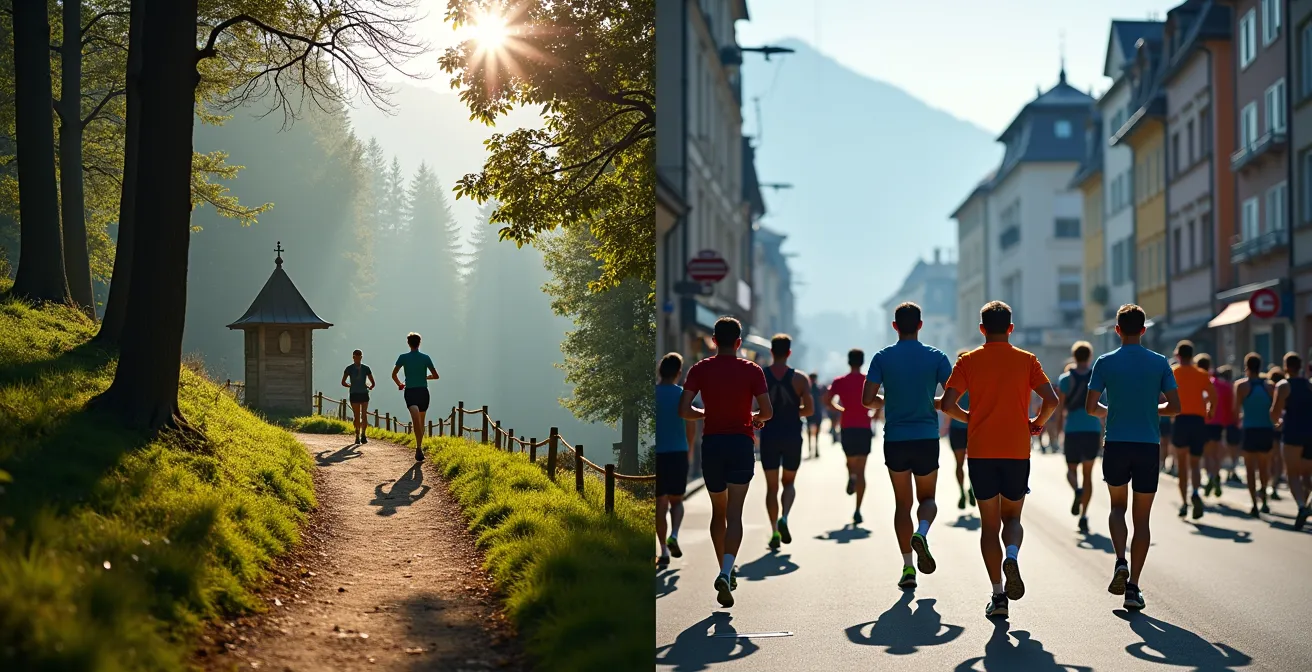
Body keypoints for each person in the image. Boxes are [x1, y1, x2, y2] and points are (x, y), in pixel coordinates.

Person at [941, 301, 1058, 619]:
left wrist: (969, 417)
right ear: (1010, 328)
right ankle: (1013, 554)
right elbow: (1052, 399)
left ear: (981, 329)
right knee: (1014, 520)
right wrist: (1037, 422)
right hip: (1016, 450)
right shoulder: (1027, 360)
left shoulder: (968, 361)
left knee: (989, 525)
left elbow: (948, 403)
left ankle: (998, 594)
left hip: (981, 451)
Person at [1084, 304, 1181, 613]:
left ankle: (1120, 561)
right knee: (1142, 519)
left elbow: (1090, 407)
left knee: (1116, 507)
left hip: (1115, 443)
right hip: (1147, 446)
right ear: (1143, 329)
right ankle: (1133, 587)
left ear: (1116, 330)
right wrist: (1151, 409)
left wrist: (1112, 411)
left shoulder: (1105, 361)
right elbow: (1175, 406)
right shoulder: (1159, 362)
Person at [679, 317, 772, 608]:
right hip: (741, 444)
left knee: (718, 512)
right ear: (740, 342)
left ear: (714, 341)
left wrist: (706, 414)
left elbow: (684, 409)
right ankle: (726, 570)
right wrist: (754, 419)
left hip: (713, 445)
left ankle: (724, 571)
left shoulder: (700, 369)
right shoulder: (752, 370)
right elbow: (767, 411)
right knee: (736, 513)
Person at [862, 302, 953, 589]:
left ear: (895, 326)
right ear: (921, 325)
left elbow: (867, 400)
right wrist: (931, 401)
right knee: (927, 500)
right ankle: (922, 532)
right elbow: (951, 397)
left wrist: (887, 400)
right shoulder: (936, 357)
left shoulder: (882, 357)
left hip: (896, 439)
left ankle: (907, 568)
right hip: (926, 436)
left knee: (903, 503)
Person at [760, 334, 814, 550]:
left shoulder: (762, 376)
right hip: (792, 435)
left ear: (771, 351)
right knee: (789, 483)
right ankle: (785, 517)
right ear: (789, 352)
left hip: (769, 436)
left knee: (771, 487)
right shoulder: (800, 379)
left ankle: (774, 530)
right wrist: (793, 411)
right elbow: (809, 410)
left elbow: (757, 409)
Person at [656, 353, 697, 567]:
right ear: (679, 373)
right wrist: (689, 450)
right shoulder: (683, 396)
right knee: (676, 501)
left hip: (658, 455)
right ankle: (674, 534)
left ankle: (663, 550)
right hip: (678, 453)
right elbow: (691, 427)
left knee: (660, 503)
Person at [825, 349, 875, 525]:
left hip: (847, 426)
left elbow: (827, 400)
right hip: (864, 427)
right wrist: (873, 416)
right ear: (862, 362)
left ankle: (851, 476)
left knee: (850, 462)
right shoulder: (868, 380)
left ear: (848, 361)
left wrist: (841, 410)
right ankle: (858, 509)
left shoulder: (840, 381)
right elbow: (880, 401)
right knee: (862, 470)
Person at [1057, 341, 1102, 534]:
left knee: (1071, 470)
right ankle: (1084, 515)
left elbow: (1060, 407)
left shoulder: (1065, 379)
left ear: (1074, 356)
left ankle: (1076, 490)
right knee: (1088, 475)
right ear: (1089, 357)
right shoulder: (1096, 377)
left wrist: (1059, 429)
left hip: (1073, 430)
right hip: (1092, 428)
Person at [1170, 341, 1216, 520]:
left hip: (1181, 420)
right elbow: (1213, 396)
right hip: (1198, 420)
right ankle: (1196, 492)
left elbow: (1164, 394)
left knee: (1182, 465)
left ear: (1178, 356)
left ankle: (1183, 503)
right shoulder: (1202, 373)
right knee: (1195, 463)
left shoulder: (1174, 372)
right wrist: (1209, 411)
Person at [1272, 351, 1312, 530]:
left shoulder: (1283, 386)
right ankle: (1306, 505)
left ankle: (1302, 506)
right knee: (1306, 475)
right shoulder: (1310, 385)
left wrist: (1277, 422)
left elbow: (1275, 412)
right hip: (1310, 433)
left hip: (1292, 434)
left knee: (1292, 474)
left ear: (1286, 367)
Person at [1235, 353, 1276, 517]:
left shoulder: (1241, 386)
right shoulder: (1270, 387)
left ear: (1246, 367)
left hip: (1249, 430)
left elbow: (1236, 410)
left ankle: (1254, 504)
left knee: (1250, 469)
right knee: (1264, 467)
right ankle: (1264, 498)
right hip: (1266, 430)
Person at [391, 332, 439, 462]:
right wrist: (425, 376)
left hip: (411, 391)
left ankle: (419, 447)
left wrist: (400, 384)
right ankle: (419, 447)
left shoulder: (403, 357)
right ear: (419, 343)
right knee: (419, 421)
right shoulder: (425, 358)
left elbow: (394, 374)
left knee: (418, 420)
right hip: (423, 391)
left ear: (408, 343)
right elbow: (436, 375)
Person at [946, 349, 975, 511]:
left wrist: (945, 425)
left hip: (957, 428)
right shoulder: (975, 379)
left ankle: (962, 492)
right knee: (972, 462)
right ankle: (971, 488)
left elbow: (947, 405)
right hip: (972, 428)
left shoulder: (954, 381)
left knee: (959, 464)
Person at [1195, 354, 1226, 497]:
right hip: (1218, 422)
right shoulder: (1219, 383)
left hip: (1204, 421)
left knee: (1207, 454)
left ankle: (1210, 476)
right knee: (1215, 453)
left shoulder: (1200, 381)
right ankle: (1216, 473)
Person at [1212, 365, 1244, 485]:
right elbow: (1235, 406)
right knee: (1233, 448)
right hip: (1231, 421)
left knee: (1221, 448)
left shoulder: (1216, 386)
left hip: (1219, 421)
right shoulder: (1231, 387)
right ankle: (1231, 471)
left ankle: (1218, 471)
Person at [341, 349, 376, 444]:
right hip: (361, 393)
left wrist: (351, 385)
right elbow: (373, 383)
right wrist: (370, 386)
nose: (357, 359)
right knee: (361, 415)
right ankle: (360, 435)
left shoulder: (350, 368)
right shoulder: (365, 368)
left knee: (359, 415)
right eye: (357, 357)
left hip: (356, 393)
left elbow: (343, 382)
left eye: (358, 357)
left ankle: (360, 435)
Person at [807, 373, 824, 459]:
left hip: (813, 412)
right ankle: (812, 449)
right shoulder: (816, 388)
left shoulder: (809, 388)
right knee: (812, 432)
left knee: (813, 432)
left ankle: (814, 449)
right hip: (814, 412)